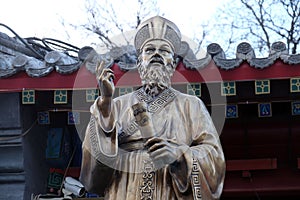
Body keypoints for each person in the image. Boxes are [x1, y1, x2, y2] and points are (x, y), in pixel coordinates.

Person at [79, 16, 225, 200]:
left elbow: (214, 157)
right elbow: (94, 172)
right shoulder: (117, 104)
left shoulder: (191, 105)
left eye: (164, 51)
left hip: (169, 187)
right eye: (150, 50)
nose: (157, 54)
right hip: (125, 187)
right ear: (140, 63)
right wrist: (105, 103)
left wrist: (179, 155)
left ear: (172, 64)